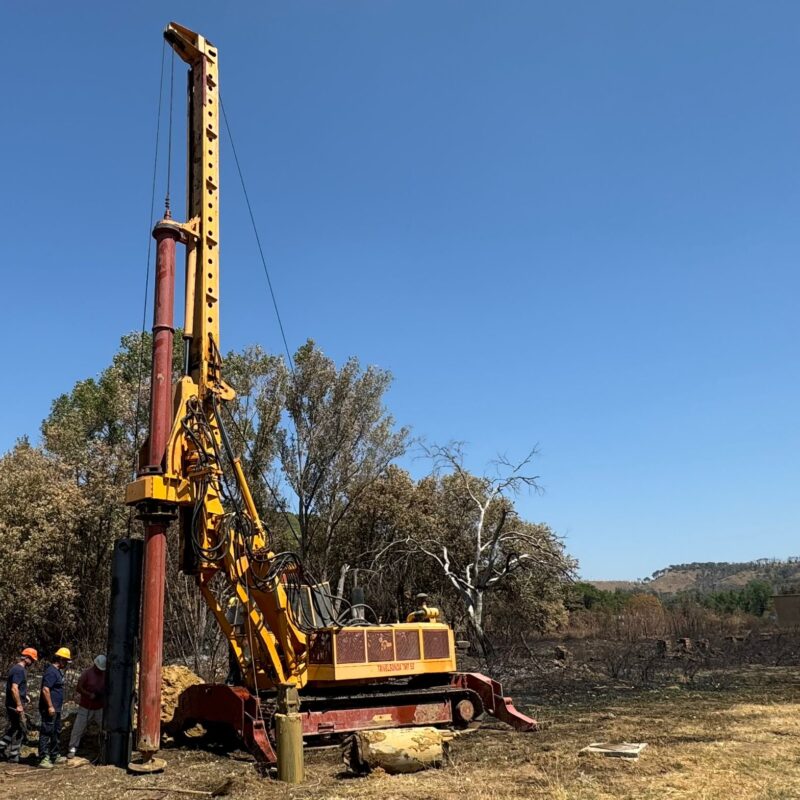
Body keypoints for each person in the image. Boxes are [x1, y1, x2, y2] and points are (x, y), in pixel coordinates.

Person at [0, 648, 37, 763]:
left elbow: (16, 688)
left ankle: (2, 748)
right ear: (27, 658)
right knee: (20, 729)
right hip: (14, 706)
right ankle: (13, 756)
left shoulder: (16, 669)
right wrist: (19, 705)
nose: (33, 662)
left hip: (13, 704)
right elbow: (14, 688)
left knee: (15, 727)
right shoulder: (19, 670)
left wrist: (24, 695)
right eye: (32, 659)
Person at [67, 654, 106, 759]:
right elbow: (78, 687)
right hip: (86, 706)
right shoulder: (87, 673)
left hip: (99, 707)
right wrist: (89, 694)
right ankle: (72, 748)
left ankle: (105, 747)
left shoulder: (105, 674)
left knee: (105, 727)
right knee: (78, 728)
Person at [38, 647, 71, 769]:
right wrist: (50, 706)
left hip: (56, 708)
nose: (66, 664)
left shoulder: (57, 671)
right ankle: (43, 758)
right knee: (46, 731)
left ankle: (54, 754)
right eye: (66, 661)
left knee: (55, 732)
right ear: (61, 659)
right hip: (49, 709)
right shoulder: (51, 672)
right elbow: (45, 689)